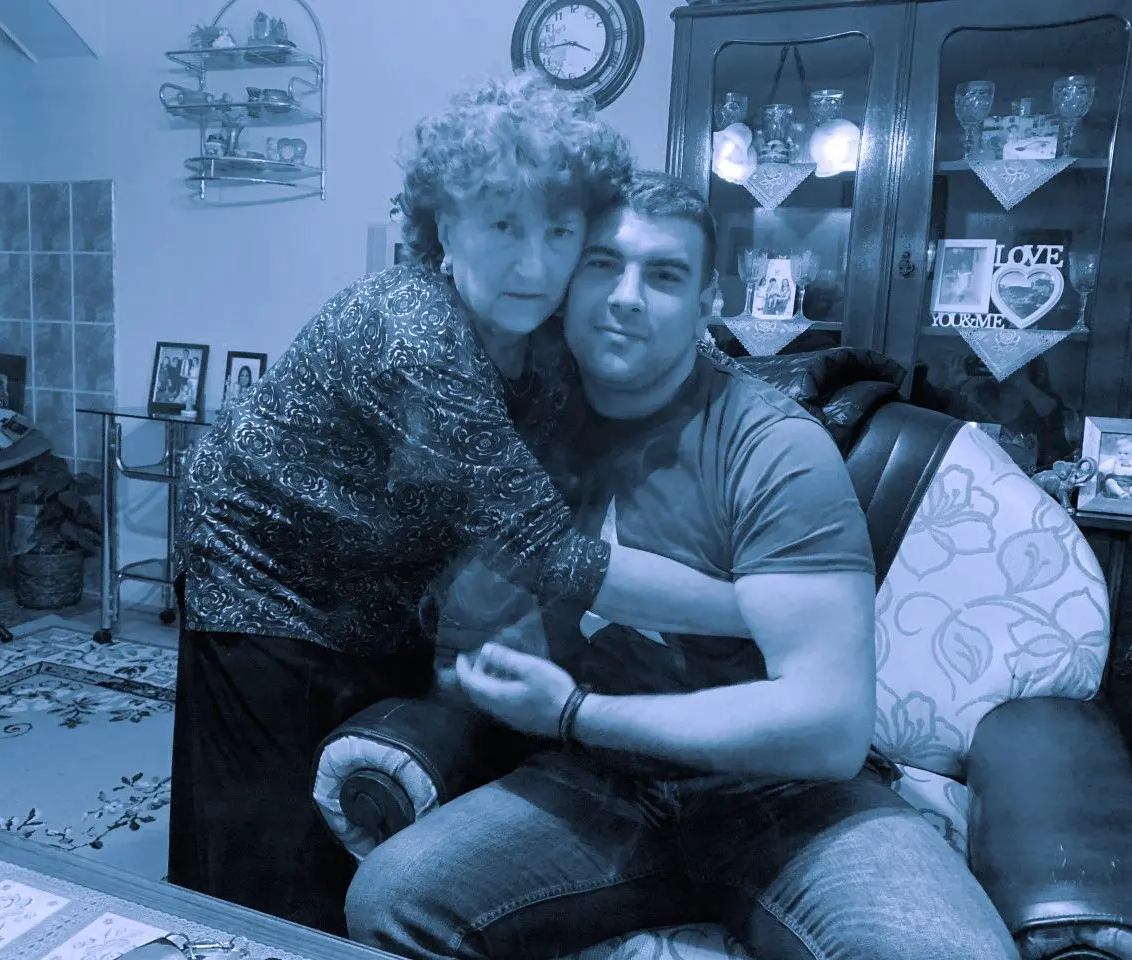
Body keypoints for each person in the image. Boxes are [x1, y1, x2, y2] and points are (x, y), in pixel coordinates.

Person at [343, 170, 1021, 960]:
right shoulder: (519, 423)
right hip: (598, 785)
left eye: (663, 275)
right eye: (603, 265)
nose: (626, 296)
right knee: (392, 900)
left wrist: (572, 713)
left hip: (787, 797)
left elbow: (830, 728)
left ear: (708, 303)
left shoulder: (773, 448)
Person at [168, 77, 752, 934]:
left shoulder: (540, 327)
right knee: (259, 857)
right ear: (445, 227)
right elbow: (550, 551)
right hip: (265, 577)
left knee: (361, 824)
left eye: (560, 232)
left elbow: (668, 370)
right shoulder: (414, 330)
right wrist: (758, 611)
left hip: (384, 578)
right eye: (503, 226)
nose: (535, 264)